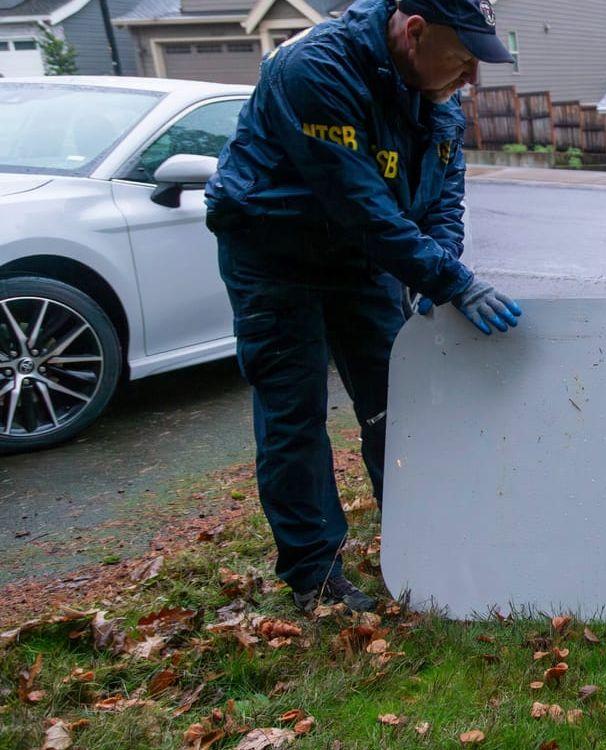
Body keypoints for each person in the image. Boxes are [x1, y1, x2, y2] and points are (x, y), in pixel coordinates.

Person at [205, 0, 525, 613]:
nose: (470, 78)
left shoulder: (438, 100)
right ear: (414, 33)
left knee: (398, 407)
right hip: (275, 250)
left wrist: (440, 271)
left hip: (363, 258)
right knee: (294, 412)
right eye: (461, 59)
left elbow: (441, 202)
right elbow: (361, 206)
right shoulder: (315, 69)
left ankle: (420, 543)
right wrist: (453, 281)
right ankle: (314, 575)